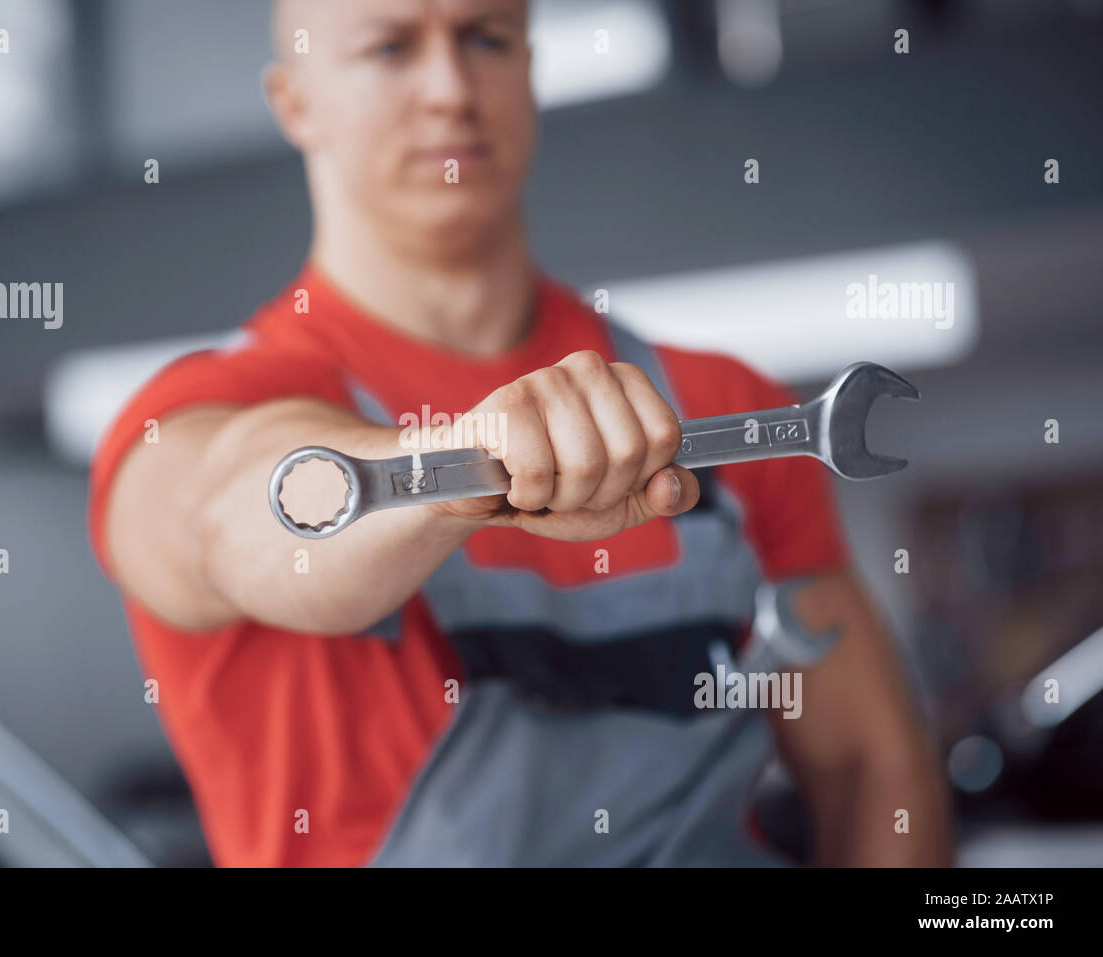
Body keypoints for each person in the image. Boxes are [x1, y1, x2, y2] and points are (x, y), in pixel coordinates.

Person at [88, 0, 951, 867]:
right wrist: (464, 462)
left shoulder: (724, 404)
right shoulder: (187, 422)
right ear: (296, 101)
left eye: (486, 39)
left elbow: (866, 763)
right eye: (390, 47)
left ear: (531, 70)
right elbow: (240, 511)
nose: (451, 89)